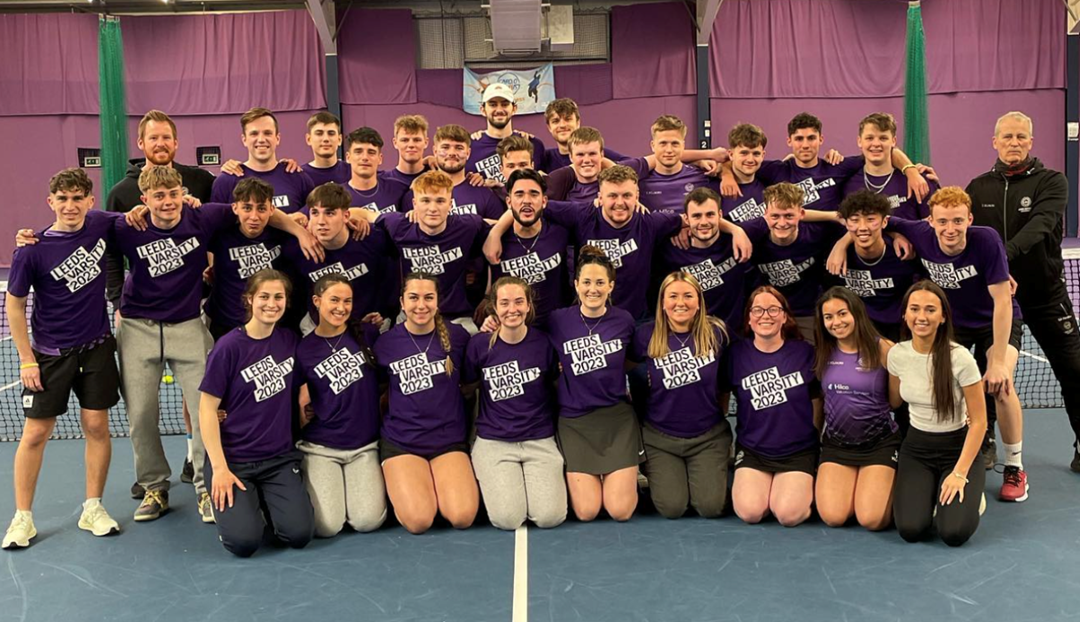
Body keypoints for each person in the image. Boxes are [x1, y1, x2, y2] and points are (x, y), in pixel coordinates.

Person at [3, 169, 122, 549]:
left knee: (97, 426)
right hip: (50, 355)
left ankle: (93, 507)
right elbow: (15, 305)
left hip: (98, 348)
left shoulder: (102, 225)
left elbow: (144, 217)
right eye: (63, 198)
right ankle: (22, 518)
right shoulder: (32, 248)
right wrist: (26, 358)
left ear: (90, 201)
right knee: (35, 433)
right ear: (50, 202)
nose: (70, 205)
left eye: (78, 198)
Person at [886, 187, 1028, 501]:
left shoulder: (986, 240)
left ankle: (1015, 468)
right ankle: (971, 442)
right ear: (930, 221)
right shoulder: (919, 232)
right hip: (953, 325)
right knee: (947, 385)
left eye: (958, 221)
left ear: (970, 220)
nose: (950, 229)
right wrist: (892, 236)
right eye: (943, 221)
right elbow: (876, 220)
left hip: (995, 322)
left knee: (1001, 385)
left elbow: (1003, 303)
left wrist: (998, 362)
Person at [105, 109, 214, 489]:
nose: (161, 143)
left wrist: (300, 229)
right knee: (141, 414)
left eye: (166, 137)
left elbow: (249, 215)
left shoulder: (201, 188)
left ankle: (205, 483)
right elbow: (88, 235)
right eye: (153, 138)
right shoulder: (121, 200)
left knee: (203, 406)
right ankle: (153, 485)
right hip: (138, 323)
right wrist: (117, 302)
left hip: (189, 318)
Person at [966, 110, 1080, 471]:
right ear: (995, 142)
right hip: (997, 301)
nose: (1014, 143)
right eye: (1007, 137)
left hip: (1046, 297)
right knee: (989, 371)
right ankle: (985, 443)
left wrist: (1001, 258)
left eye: (1020, 137)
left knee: (1075, 371)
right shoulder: (977, 187)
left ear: (1030, 142)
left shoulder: (1052, 181)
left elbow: (1042, 225)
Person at [198, 270, 314, 557]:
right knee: (244, 543)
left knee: (298, 535)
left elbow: (303, 383)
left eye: (278, 297)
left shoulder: (289, 341)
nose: (271, 303)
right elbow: (206, 409)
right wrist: (220, 469)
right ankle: (241, 508)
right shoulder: (228, 347)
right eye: (264, 296)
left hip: (279, 458)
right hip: (235, 461)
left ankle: (261, 501)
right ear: (249, 299)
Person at [488, 165, 693, 321]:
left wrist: (696, 229)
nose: (619, 203)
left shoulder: (651, 223)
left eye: (627, 195)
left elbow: (695, 219)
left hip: (635, 319)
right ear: (600, 197)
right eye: (612, 195)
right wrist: (496, 232)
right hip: (587, 318)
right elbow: (532, 205)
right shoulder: (582, 215)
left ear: (637, 197)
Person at [374, 273, 477, 534]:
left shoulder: (458, 337)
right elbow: (379, 390)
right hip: (403, 442)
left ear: (438, 302)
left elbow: (469, 382)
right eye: (413, 298)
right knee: (419, 522)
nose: (421, 305)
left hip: (448, 440)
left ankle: (436, 488)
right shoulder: (386, 343)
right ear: (401, 302)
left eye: (428, 297)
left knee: (462, 517)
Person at [889, 281, 987, 546]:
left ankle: (970, 493)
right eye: (915, 309)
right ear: (905, 315)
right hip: (917, 450)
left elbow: (979, 422)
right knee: (910, 529)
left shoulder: (961, 358)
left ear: (943, 317)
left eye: (930, 310)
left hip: (957, 450)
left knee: (953, 533)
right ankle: (930, 492)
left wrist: (960, 473)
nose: (922, 317)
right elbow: (894, 401)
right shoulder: (896, 355)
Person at [464, 277, 566, 530]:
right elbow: (467, 388)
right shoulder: (479, 345)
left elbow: (555, 385)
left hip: (539, 440)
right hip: (494, 442)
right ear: (494, 308)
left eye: (519, 301)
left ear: (529, 305)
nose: (512, 309)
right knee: (508, 519)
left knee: (549, 517)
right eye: (505, 303)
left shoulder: (543, 343)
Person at [546, 247, 638, 521]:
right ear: (576, 285)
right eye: (586, 282)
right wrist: (488, 319)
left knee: (620, 511)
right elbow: (522, 331)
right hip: (575, 422)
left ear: (611, 285)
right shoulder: (557, 320)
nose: (592, 289)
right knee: (587, 511)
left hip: (616, 420)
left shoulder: (624, 320)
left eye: (600, 282)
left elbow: (631, 360)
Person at [630, 272, 731, 519]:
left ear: (699, 302)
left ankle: (714, 473)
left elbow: (727, 382)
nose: (680, 303)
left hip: (707, 437)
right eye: (673, 296)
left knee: (710, 508)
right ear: (663, 302)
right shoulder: (646, 335)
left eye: (688, 296)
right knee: (672, 508)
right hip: (660, 438)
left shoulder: (717, 333)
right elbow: (624, 367)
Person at [296, 275, 387, 537]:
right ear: (317, 301)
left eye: (347, 301)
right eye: (334, 299)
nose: (341, 307)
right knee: (327, 527)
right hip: (321, 447)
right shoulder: (303, 349)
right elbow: (296, 403)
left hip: (364, 447)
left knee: (367, 521)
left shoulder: (366, 334)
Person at [725, 286, 820, 527]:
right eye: (757, 309)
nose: (765, 315)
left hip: (797, 452)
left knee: (788, 515)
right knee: (750, 512)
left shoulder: (805, 353)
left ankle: (803, 494)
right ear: (748, 317)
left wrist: (814, 432)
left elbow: (817, 398)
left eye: (773, 309)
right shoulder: (735, 355)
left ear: (785, 316)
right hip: (754, 451)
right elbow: (722, 397)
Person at [812, 287, 899, 531]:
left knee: (871, 520)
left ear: (856, 313)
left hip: (879, 444)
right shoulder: (822, 352)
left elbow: (895, 402)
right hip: (838, 445)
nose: (836, 322)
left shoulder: (884, 349)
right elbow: (820, 399)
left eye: (842, 314)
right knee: (833, 517)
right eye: (828, 317)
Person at [736, 183, 845, 340]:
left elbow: (860, 226)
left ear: (802, 213)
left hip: (807, 312)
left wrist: (842, 244)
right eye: (775, 216)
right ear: (765, 214)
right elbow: (713, 228)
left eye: (788, 216)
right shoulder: (752, 233)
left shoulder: (817, 232)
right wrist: (735, 231)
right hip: (766, 315)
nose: (781, 223)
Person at [829, 190, 920, 342]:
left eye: (870, 219)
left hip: (900, 331)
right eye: (855, 220)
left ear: (885, 222)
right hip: (859, 330)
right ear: (846, 223)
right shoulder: (836, 256)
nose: (863, 227)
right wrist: (841, 244)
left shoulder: (903, 253)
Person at [659, 187, 754, 330]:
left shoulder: (737, 238)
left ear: (720, 215)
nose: (704, 222)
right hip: (694, 337)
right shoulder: (670, 250)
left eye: (710, 215)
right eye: (696, 216)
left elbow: (775, 220)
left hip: (736, 334)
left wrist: (737, 230)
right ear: (686, 219)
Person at [487, 169, 570, 329]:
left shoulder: (561, 231)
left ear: (544, 201)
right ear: (509, 202)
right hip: (511, 329)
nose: (527, 200)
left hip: (555, 328)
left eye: (533, 194)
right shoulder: (491, 238)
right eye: (519, 194)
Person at [210, 107, 315, 213]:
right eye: (254, 134)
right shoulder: (226, 181)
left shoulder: (298, 177)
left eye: (267, 133)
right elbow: (216, 225)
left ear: (277, 138)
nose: (261, 140)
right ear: (244, 140)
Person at [841, 113, 937, 220]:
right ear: (859, 141)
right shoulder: (846, 183)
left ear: (893, 141)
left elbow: (935, 226)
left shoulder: (918, 181)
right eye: (869, 138)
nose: (876, 144)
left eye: (883, 138)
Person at [403, 124, 505, 219]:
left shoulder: (485, 194)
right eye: (445, 147)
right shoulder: (416, 193)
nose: (452, 153)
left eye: (459, 148)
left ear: (468, 153)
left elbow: (499, 233)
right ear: (435, 151)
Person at [466, 83, 545, 183]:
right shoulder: (470, 147)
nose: (499, 110)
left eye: (505, 104)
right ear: (483, 110)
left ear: (514, 109)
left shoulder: (533, 144)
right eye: (493, 104)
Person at [540, 98, 626, 173]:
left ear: (578, 123)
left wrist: (607, 164)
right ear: (549, 127)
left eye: (568, 119)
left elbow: (635, 166)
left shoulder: (598, 154)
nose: (562, 125)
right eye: (556, 121)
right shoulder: (544, 158)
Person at [343, 127, 409, 214]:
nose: (365, 158)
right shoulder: (337, 196)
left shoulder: (398, 189)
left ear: (380, 159)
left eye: (371, 152)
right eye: (358, 152)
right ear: (348, 157)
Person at [721, 123, 768, 223]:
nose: (750, 160)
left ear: (763, 155)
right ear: (731, 154)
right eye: (744, 153)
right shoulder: (715, 188)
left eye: (756, 153)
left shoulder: (770, 182)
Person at [301, 111, 350, 187]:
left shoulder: (353, 172)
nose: (326, 139)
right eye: (319, 133)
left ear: (339, 139)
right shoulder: (300, 176)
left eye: (331, 133)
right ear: (308, 139)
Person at [384, 114, 431, 188]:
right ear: (395, 143)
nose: (411, 145)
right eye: (405, 140)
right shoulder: (383, 182)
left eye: (417, 140)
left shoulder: (438, 178)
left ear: (426, 142)